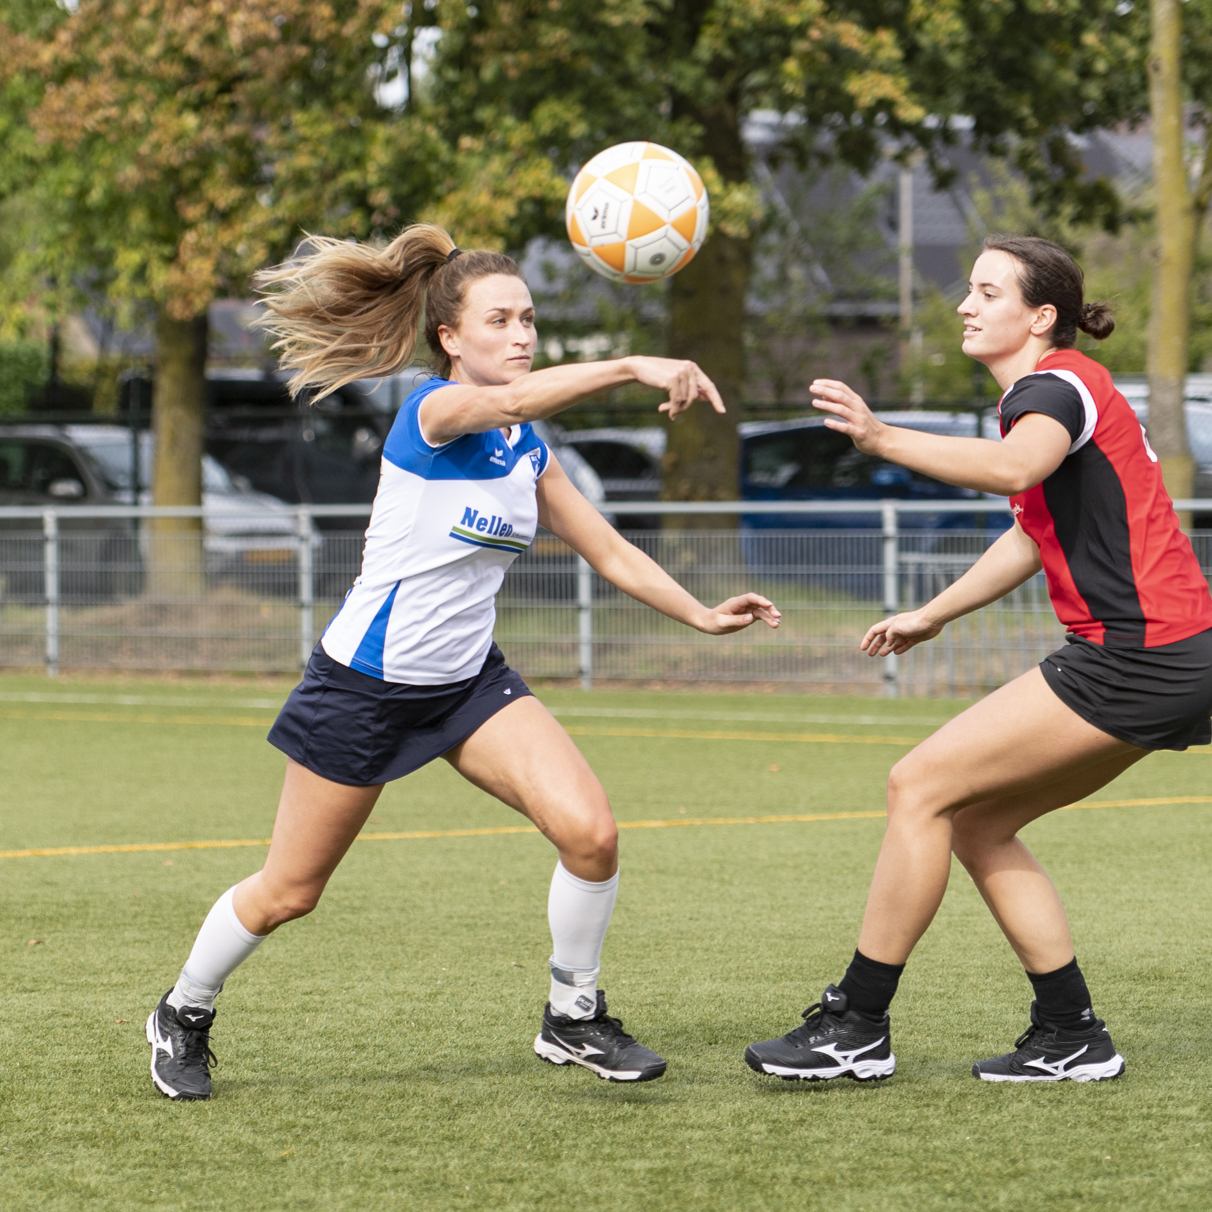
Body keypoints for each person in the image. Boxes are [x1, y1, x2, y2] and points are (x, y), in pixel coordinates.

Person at [146, 224, 781, 1100]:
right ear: (451, 338)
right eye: (500, 321)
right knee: (289, 892)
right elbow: (513, 405)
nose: (521, 336)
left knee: (592, 835)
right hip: (364, 687)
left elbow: (608, 550)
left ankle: (573, 1015)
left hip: (467, 684)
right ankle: (183, 1010)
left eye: (528, 319)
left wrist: (701, 614)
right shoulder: (432, 414)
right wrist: (634, 366)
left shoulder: (526, 452)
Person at [745, 235, 1212, 1084]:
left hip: (1138, 654)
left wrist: (883, 438)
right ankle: (1071, 1032)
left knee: (917, 785)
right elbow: (1032, 534)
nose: (966, 304)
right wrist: (932, 614)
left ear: (1041, 317)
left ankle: (856, 1024)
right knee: (977, 820)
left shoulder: (1054, 386)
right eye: (970, 289)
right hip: (1171, 655)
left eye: (987, 292)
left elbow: (1013, 468)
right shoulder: (1062, 391)